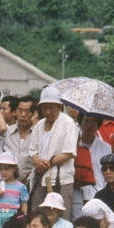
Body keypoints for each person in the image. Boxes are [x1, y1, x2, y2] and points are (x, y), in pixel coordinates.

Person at [28, 86, 78, 214]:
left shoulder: (68, 123)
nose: (48, 111)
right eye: (44, 107)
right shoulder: (39, 125)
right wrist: (37, 161)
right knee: (36, 214)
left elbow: (69, 152)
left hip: (62, 179)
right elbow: (33, 150)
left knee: (61, 215)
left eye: (51, 107)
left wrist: (48, 164)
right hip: (41, 177)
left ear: (60, 107)